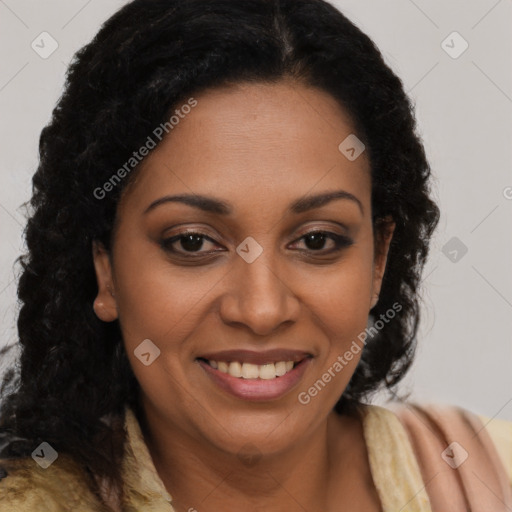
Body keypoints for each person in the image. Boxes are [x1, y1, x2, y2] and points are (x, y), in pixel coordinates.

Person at [0, 0, 510, 510]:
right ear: (105, 268)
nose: (262, 310)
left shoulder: (492, 480)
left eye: (316, 240)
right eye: (193, 242)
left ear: (378, 260)